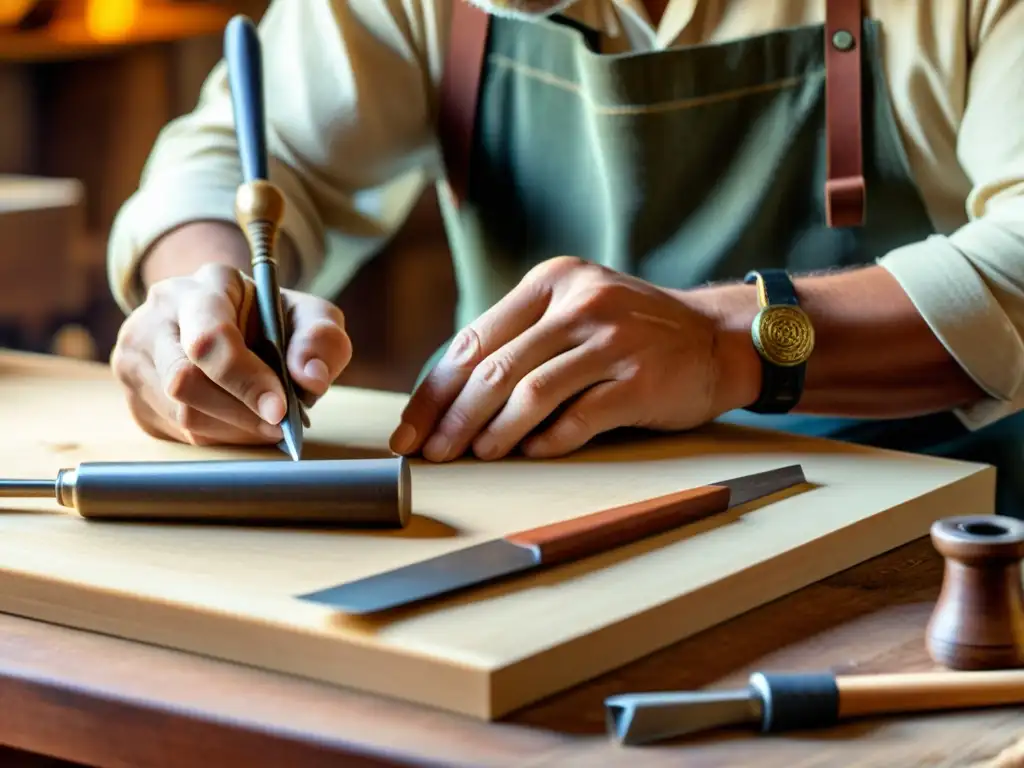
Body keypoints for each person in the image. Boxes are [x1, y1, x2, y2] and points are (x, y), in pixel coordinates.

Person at [107, 0, 1024, 513]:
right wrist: (200, 295)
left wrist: (720, 343)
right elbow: (232, 159)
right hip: (549, 534)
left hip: (934, 533)